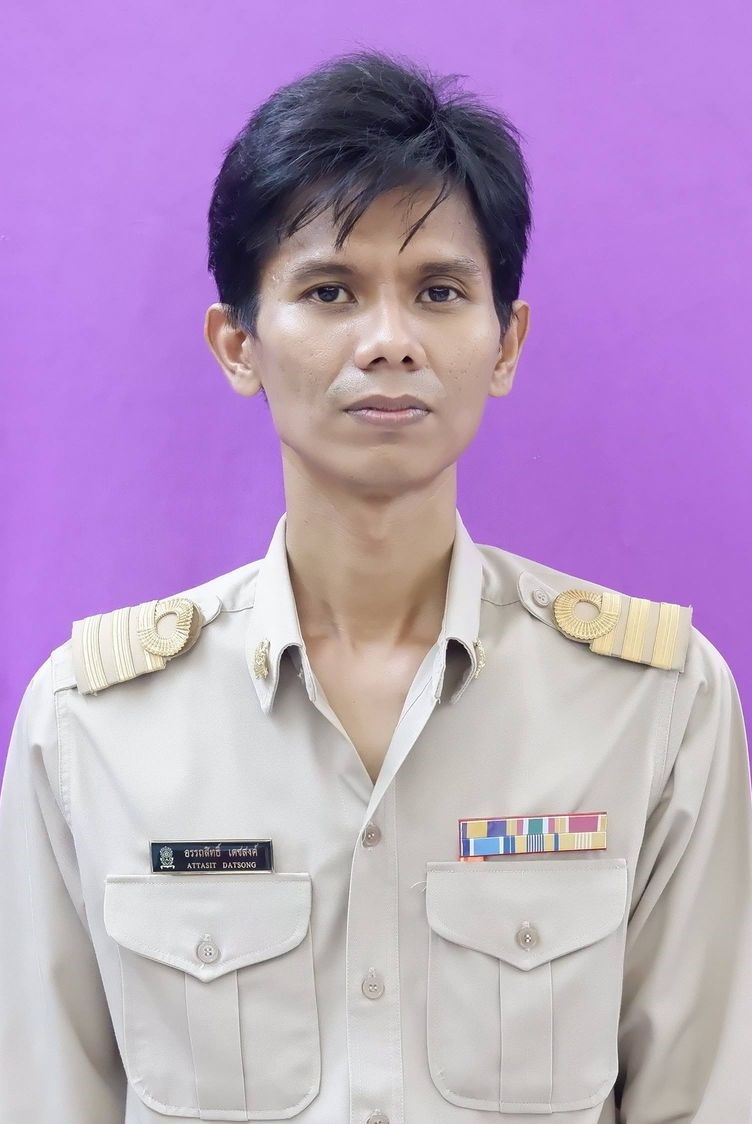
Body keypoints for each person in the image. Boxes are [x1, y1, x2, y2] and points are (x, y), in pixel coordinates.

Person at [1, 48, 750, 1124]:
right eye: (329, 291)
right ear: (238, 344)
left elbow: (705, 1096)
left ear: (505, 341)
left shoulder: (656, 704)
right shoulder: (89, 724)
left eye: (439, 291)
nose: (390, 341)